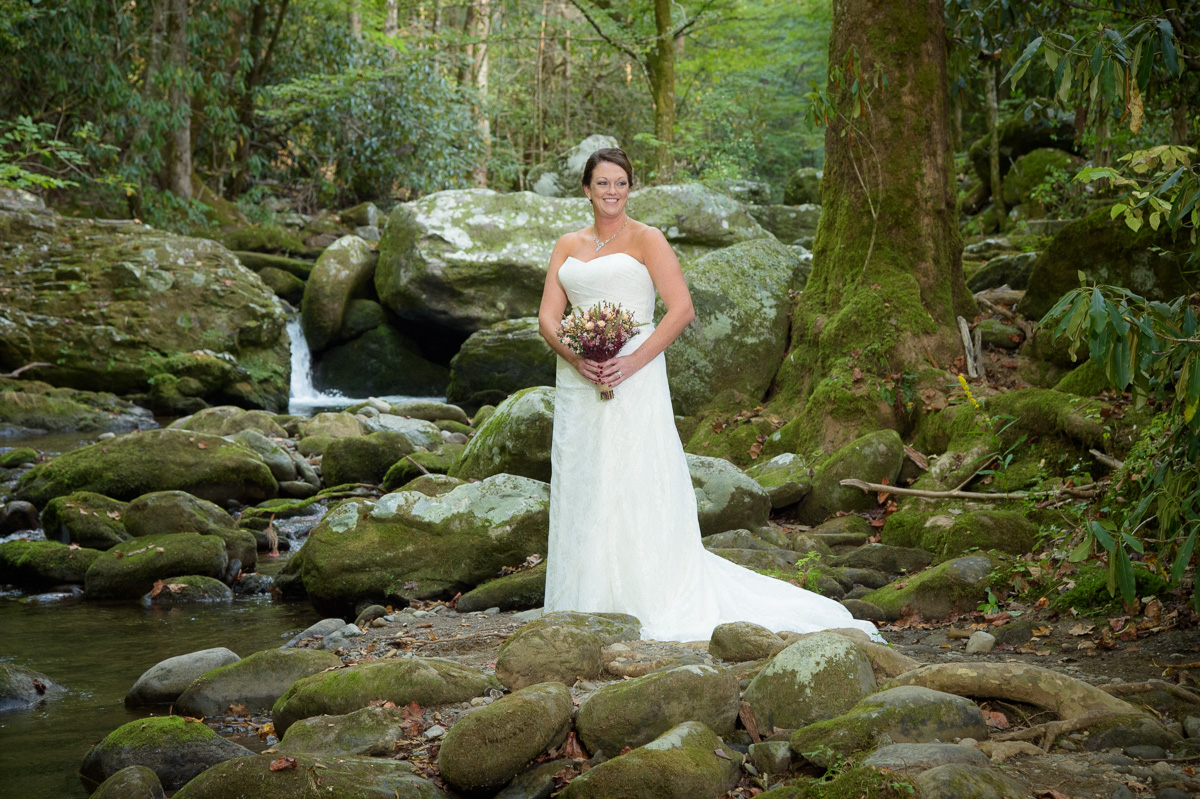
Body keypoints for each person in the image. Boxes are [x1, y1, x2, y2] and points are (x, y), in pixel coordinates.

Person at [536, 147, 882, 643]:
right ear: (586, 189)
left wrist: (633, 361)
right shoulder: (567, 243)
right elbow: (548, 317)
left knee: (635, 474)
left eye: (621, 183)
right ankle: (583, 600)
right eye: (603, 183)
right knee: (584, 474)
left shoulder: (647, 239)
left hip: (634, 370)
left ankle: (643, 594)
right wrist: (576, 356)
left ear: (630, 189)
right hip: (579, 374)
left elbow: (680, 310)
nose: (612, 192)